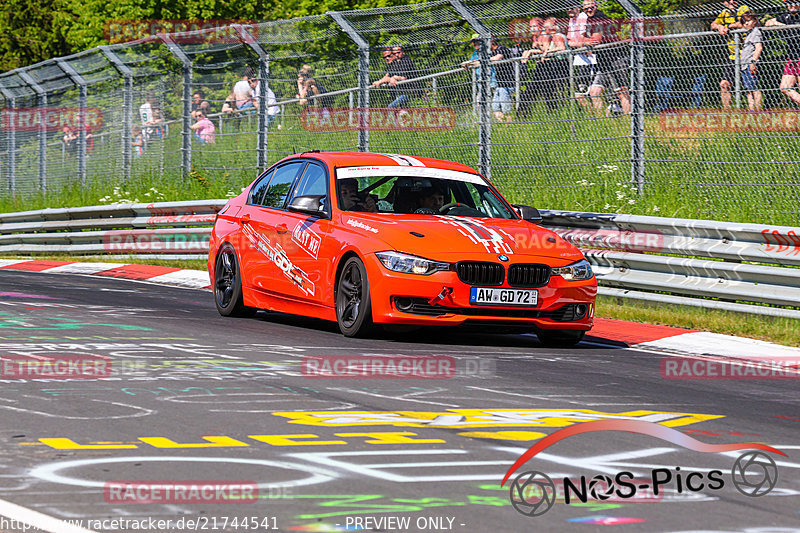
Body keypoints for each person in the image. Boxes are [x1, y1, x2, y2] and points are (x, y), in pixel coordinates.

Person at [584, 0, 631, 115]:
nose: (589, 10)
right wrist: (584, 41)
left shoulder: (600, 18)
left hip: (617, 59)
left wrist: (580, 41)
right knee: (594, 91)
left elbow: (596, 40)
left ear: (596, 6)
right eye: (586, 9)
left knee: (622, 92)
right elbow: (586, 39)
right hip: (604, 62)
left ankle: (628, 121)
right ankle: (600, 122)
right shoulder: (589, 20)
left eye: (591, 7)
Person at [711, 0, 751, 110]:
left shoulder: (743, 9)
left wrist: (729, 26)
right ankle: (727, 112)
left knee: (750, 87)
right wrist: (719, 27)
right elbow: (713, 24)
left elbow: (747, 22)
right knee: (724, 84)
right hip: (733, 56)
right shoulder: (724, 13)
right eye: (729, 0)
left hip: (747, 55)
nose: (732, 1)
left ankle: (755, 112)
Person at [522, 17, 567, 112]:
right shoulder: (536, 36)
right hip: (542, 64)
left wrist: (531, 51)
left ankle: (553, 111)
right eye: (530, 26)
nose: (532, 29)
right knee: (538, 90)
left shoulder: (544, 36)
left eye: (535, 26)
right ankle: (525, 113)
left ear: (540, 26)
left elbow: (545, 50)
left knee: (547, 91)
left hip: (548, 65)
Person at [765, 0, 800, 106]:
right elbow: (768, 23)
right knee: (784, 87)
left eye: (795, 3)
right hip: (792, 57)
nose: (792, 6)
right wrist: (782, 26)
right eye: (789, 3)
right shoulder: (786, 17)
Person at [566, 3, 596, 108]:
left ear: (577, 8)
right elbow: (570, 42)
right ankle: (592, 118)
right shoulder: (571, 20)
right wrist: (579, 44)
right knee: (579, 94)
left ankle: (600, 117)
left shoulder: (583, 17)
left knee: (594, 92)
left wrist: (578, 43)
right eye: (567, 8)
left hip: (591, 59)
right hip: (580, 60)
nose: (569, 10)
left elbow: (584, 38)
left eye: (571, 8)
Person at [740, 12, 764, 111]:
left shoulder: (756, 32)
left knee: (754, 88)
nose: (746, 24)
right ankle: (751, 110)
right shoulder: (748, 33)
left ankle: (758, 109)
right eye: (744, 22)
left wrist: (753, 62)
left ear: (754, 21)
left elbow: (759, 47)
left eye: (748, 21)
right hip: (744, 66)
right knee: (748, 89)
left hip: (751, 64)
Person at [489, 38, 517, 122]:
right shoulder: (492, 53)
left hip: (508, 84)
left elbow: (499, 57)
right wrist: (469, 63)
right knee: (495, 108)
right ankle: (502, 125)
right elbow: (482, 61)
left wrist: (484, 60)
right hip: (499, 85)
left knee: (506, 109)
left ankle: (510, 123)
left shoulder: (502, 48)